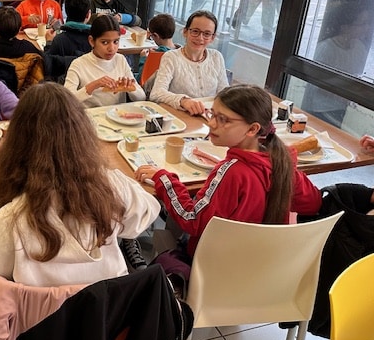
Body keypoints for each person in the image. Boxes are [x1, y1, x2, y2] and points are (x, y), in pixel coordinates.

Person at [0, 83, 160, 314]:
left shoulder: (9, 221)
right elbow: (148, 212)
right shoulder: (111, 188)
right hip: (106, 324)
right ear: (83, 137)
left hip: (34, 332)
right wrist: (111, 178)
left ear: (16, 144)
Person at [134, 85, 327, 265]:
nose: (211, 123)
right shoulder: (282, 163)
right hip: (264, 268)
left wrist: (164, 179)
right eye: (212, 114)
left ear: (253, 129)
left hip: (215, 267)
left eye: (223, 119)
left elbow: (192, 220)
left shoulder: (231, 171)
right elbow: (313, 203)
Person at [149, 10, 228, 115]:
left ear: (212, 37)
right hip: (181, 118)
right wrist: (183, 101)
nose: (200, 38)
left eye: (207, 34)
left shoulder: (216, 57)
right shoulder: (171, 57)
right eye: (195, 31)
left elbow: (225, 94)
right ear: (185, 32)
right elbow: (156, 93)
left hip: (210, 118)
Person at [64, 14, 145, 108]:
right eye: (105, 42)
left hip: (118, 117)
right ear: (92, 41)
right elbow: (66, 102)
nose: (111, 48)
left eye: (116, 42)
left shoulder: (120, 60)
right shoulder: (78, 64)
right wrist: (94, 85)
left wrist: (131, 88)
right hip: (89, 119)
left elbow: (141, 98)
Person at [136, 13, 180, 78]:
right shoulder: (180, 52)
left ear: (156, 35)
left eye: (151, 36)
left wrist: (143, 58)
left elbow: (142, 78)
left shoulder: (157, 55)